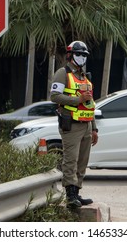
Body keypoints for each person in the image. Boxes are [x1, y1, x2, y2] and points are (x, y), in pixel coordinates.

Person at [50, 40, 98, 209]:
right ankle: (70, 196)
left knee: (82, 161)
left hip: (86, 124)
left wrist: (94, 127)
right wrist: (78, 99)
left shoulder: (84, 76)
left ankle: (76, 192)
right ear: (70, 55)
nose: (81, 58)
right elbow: (55, 97)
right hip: (71, 124)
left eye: (84, 55)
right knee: (71, 159)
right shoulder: (63, 73)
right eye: (78, 54)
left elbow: (89, 103)